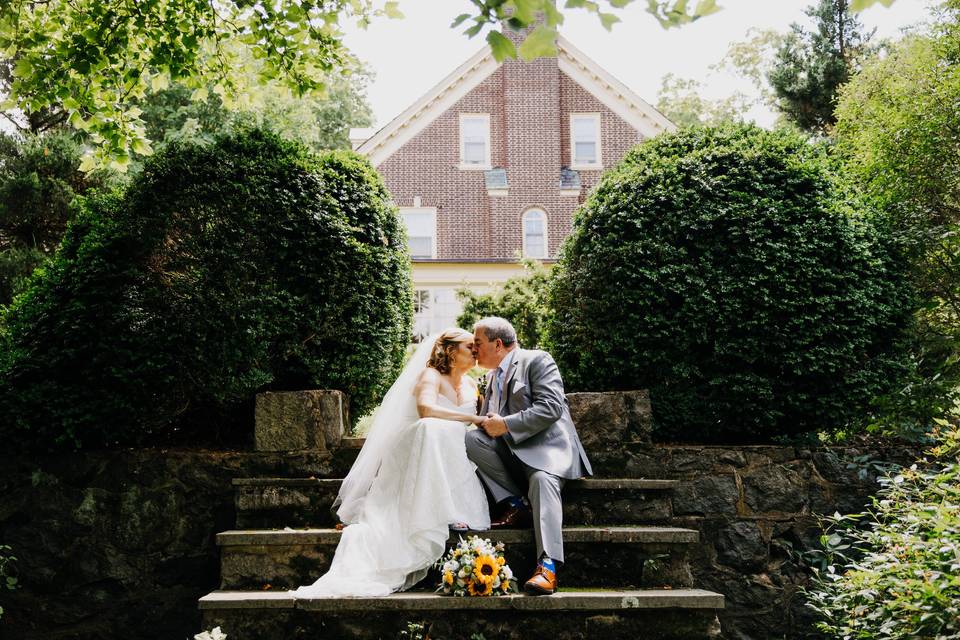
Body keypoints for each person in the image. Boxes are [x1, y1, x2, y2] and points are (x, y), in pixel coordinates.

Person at [292, 328, 490, 597]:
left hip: (453, 450)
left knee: (441, 432)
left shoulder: (471, 385)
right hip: (421, 444)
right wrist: (474, 420)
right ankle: (432, 511)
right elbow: (426, 410)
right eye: (470, 346)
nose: (476, 351)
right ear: (452, 351)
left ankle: (453, 508)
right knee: (430, 427)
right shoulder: (430, 375)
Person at [467, 316, 593, 596]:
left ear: (497, 344)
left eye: (478, 343)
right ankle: (517, 504)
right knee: (472, 439)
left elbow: (551, 408)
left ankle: (547, 566)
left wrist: (506, 424)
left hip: (548, 451)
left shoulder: (537, 360)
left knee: (541, 480)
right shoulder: (490, 377)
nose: (473, 349)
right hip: (512, 453)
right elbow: (490, 424)